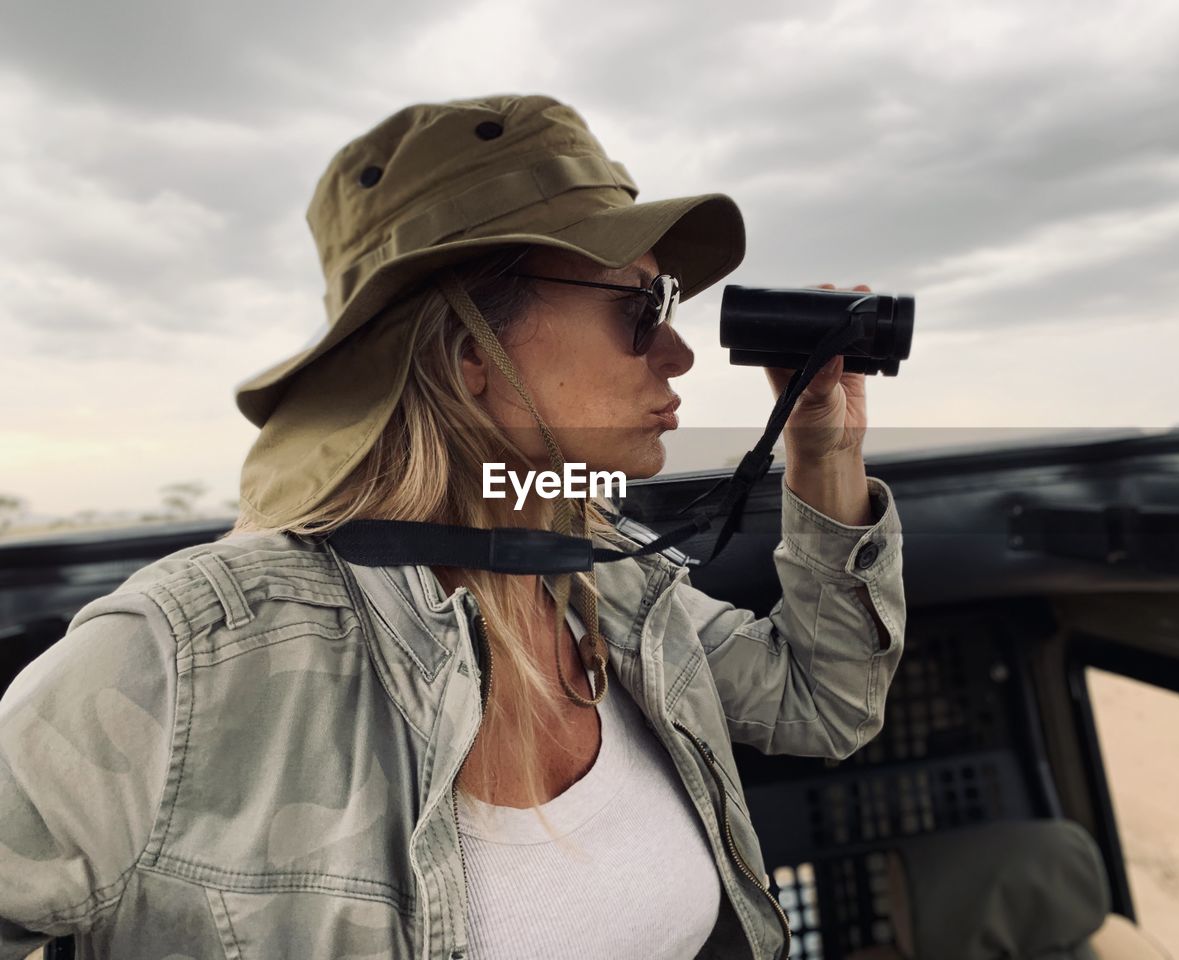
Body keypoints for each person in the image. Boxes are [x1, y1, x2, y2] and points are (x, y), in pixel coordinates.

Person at [0, 93, 907, 960]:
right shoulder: (192, 657)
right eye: (641, 307)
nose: (679, 352)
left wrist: (823, 449)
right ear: (472, 353)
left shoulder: (604, 576)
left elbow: (821, 705)